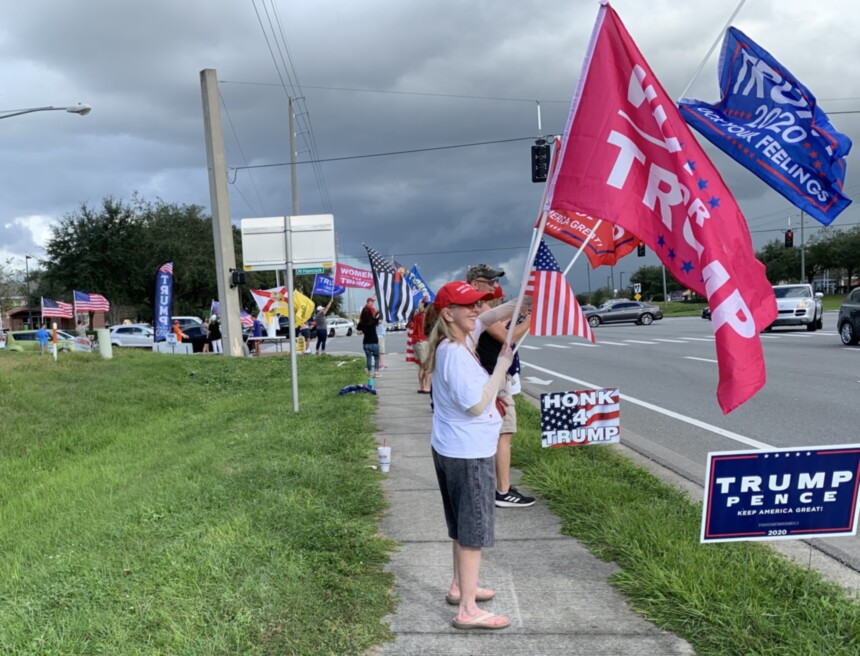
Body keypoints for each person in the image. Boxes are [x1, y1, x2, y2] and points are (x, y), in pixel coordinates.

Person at [426, 280, 520, 631]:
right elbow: (478, 403)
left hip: (454, 448)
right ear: (448, 313)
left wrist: (524, 299)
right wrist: (502, 366)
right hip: (468, 454)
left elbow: (493, 314)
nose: (478, 310)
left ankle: (458, 587)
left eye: (477, 304)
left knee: (461, 528)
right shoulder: (454, 354)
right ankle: (467, 609)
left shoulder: (460, 337)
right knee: (472, 533)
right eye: (469, 306)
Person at [467, 264, 535, 509]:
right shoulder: (480, 307)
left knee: (495, 432)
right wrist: (532, 320)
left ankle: (498, 486)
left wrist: (524, 306)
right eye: (491, 282)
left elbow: (504, 319)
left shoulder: (476, 309)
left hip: (488, 374)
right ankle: (503, 491)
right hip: (493, 376)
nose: (496, 286)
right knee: (504, 433)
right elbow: (509, 337)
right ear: (476, 284)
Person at [411, 300, 431, 393]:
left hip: (416, 341)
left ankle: (421, 386)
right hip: (423, 341)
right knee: (428, 366)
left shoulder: (416, 316)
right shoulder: (424, 317)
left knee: (422, 366)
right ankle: (427, 386)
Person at [357, 303, 381, 376]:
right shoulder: (374, 320)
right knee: (377, 357)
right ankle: (376, 372)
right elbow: (380, 321)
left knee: (368, 358)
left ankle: (370, 372)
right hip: (374, 342)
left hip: (366, 343)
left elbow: (358, 332)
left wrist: (362, 332)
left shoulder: (361, 323)